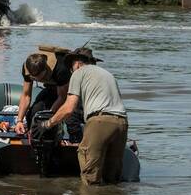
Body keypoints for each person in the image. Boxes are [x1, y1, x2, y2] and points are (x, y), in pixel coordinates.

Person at [34, 47, 128, 186]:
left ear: (77, 63)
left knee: (90, 177)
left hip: (100, 122)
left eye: (71, 67)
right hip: (122, 123)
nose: (71, 71)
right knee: (112, 178)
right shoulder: (108, 74)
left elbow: (68, 108)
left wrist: (47, 124)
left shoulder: (79, 73)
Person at [14, 45, 84, 142]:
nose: (37, 79)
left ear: (45, 69)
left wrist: (48, 117)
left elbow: (62, 97)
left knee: (71, 119)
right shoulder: (27, 69)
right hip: (52, 87)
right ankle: (33, 139)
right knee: (34, 111)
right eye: (33, 77)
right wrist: (19, 121)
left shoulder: (60, 68)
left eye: (39, 76)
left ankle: (75, 142)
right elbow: (26, 96)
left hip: (71, 90)